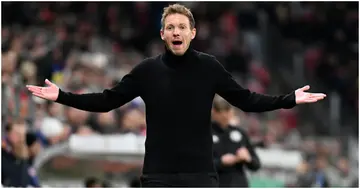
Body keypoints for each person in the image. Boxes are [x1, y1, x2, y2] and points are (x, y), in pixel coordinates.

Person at [26, 3, 326, 187]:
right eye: (170, 27)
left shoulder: (209, 67)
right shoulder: (146, 71)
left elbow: (247, 99)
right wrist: (62, 96)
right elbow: (106, 101)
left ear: (192, 32)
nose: (176, 31)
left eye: (182, 26)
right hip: (158, 176)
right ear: (162, 34)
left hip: (201, 177)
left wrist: (290, 99)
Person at [211, 96, 260, 187]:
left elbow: (256, 165)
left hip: (239, 183)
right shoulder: (206, 133)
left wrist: (248, 158)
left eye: (228, 111)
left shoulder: (240, 133)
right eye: (221, 111)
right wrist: (220, 162)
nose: (225, 115)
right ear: (214, 112)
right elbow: (197, 165)